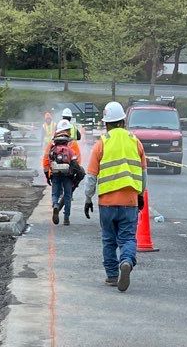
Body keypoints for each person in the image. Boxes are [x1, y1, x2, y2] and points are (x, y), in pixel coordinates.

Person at [82, 100, 147, 291]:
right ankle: (126, 261)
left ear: (106, 124)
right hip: (130, 201)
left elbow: (91, 176)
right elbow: (143, 174)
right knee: (127, 238)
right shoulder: (135, 141)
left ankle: (112, 276)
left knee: (109, 240)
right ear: (123, 121)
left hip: (107, 203)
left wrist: (88, 198)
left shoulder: (101, 143)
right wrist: (140, 194)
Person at [43, 123, 82, 226]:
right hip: (68, 175)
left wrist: (47, 175)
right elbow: (76, 162)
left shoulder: (52, 148)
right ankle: (66, 218)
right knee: (68, 196)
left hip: (55, 174)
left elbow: (47, 161)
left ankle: (56, 205)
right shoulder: (71, 148)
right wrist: (76, 174)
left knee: (55, 194)